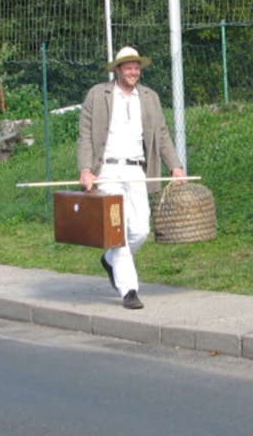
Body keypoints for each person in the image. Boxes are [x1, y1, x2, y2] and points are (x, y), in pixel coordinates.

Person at [77, 46, 186, 309]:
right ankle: (129, 291)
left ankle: (110, 260)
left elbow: (161, 134)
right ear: (118, 70)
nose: (134, 72)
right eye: (128, 67)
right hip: (108, 171)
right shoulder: (98, 94)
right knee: (118, 231)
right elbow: (85, 136)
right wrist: (86, 170)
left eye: (137, 67)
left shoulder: (149, 97)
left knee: (140, 230)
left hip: (137, 170)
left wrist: (175, 165)